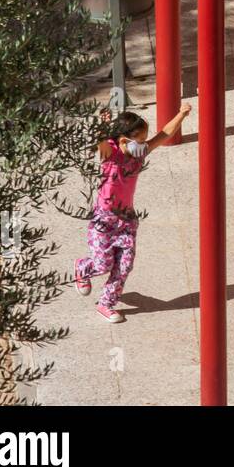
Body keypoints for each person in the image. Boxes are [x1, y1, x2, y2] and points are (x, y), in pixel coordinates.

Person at [74, 101, 193, 323]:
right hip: (104, 220)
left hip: (127, 220)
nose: (143, 145)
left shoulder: (138, 153)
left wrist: (181, 114)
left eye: (143, 140)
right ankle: (83, 268)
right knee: (102, 264)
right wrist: (103, 123)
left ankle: (106, 304)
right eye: (138, 141)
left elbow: (164, 134)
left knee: (125, 266)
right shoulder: (111, 154)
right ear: (122, 139)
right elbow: (100, 141)